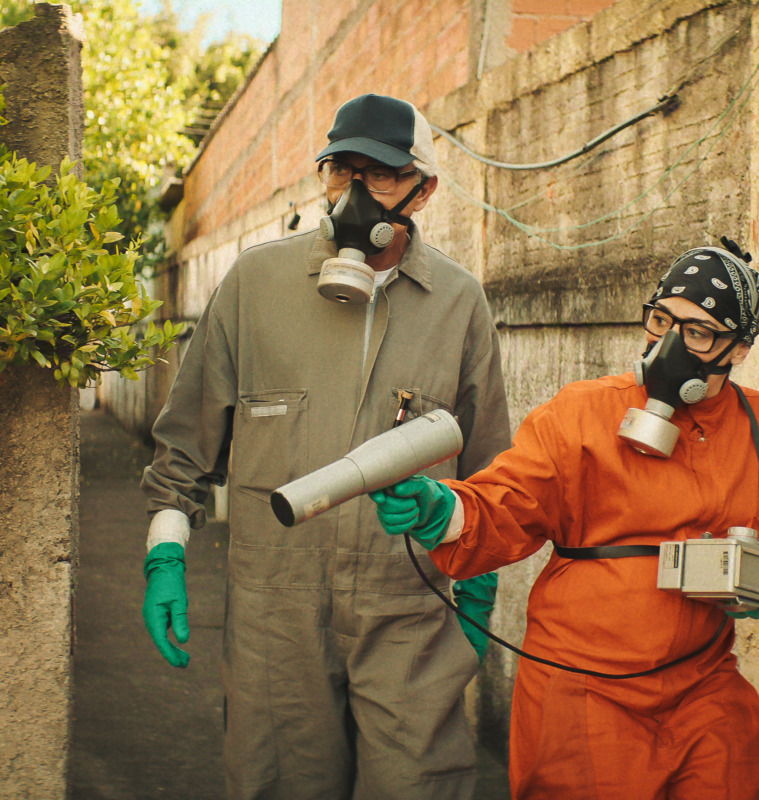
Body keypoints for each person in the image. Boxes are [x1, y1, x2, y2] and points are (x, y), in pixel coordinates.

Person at [139, 93, 512, 800]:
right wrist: (164, 553)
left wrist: (480, 600)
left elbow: (494, 474)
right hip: (274, 618)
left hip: (409, 615)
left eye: (381, 176)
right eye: (342, 171)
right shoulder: (257, 284)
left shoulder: (460, 304)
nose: (356, 194)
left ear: (424, 190)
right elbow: (184, 444)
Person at [371, 246, 759, 799]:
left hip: (703, 686)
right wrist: (442, 510)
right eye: (661, 319)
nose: (668, 344)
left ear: (738, 349)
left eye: (699, 332)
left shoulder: (758, 423)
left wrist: (757, 584)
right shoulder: (582, 413)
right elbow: (507, 502)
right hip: (586, 690)